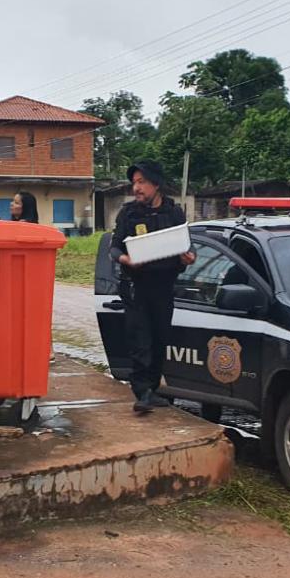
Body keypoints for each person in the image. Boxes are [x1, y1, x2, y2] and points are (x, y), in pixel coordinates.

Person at [109, 160, 194, 415]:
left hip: (164, 285)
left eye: (141, 182)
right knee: (140, 339)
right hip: (137, 286)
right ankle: (142, 391)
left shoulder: (174, 213)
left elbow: (186, 245)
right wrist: (126, 259)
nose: (136, 188)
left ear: (156, 184)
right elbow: (114, 248)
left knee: (159, 337)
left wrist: (189, 257)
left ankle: (153, 390)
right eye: (134, 183)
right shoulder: (128, 214)